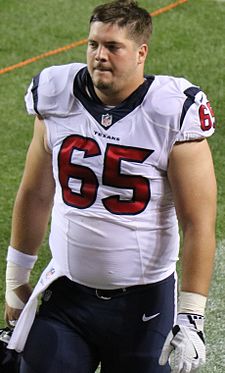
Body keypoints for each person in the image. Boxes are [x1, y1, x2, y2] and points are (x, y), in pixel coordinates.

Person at [4, 0, 217, 372]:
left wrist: (191, 315)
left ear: (140, 53)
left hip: (144, 306)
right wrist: (16, 278)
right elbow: (36, 192)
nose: (99, 56)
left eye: (113, 47)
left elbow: (198, 221)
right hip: (67, 295)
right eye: (93, 44)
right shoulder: (56, 94)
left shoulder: (172, 111)